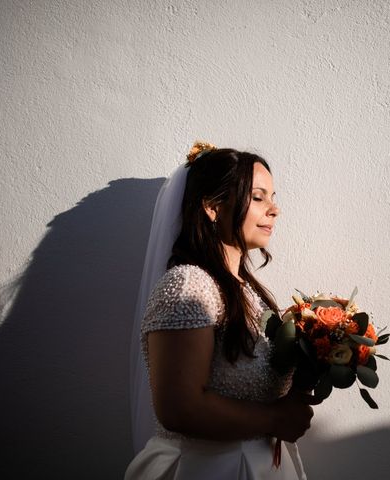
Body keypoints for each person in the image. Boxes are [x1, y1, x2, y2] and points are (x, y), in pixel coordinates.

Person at [125, 142, 318, 479]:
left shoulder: (247, 290)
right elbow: (179, 409)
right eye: (258, 197)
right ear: (213, 207)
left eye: (273, 198)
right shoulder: (189, 286)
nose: (274, 210)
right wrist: (276, 419)